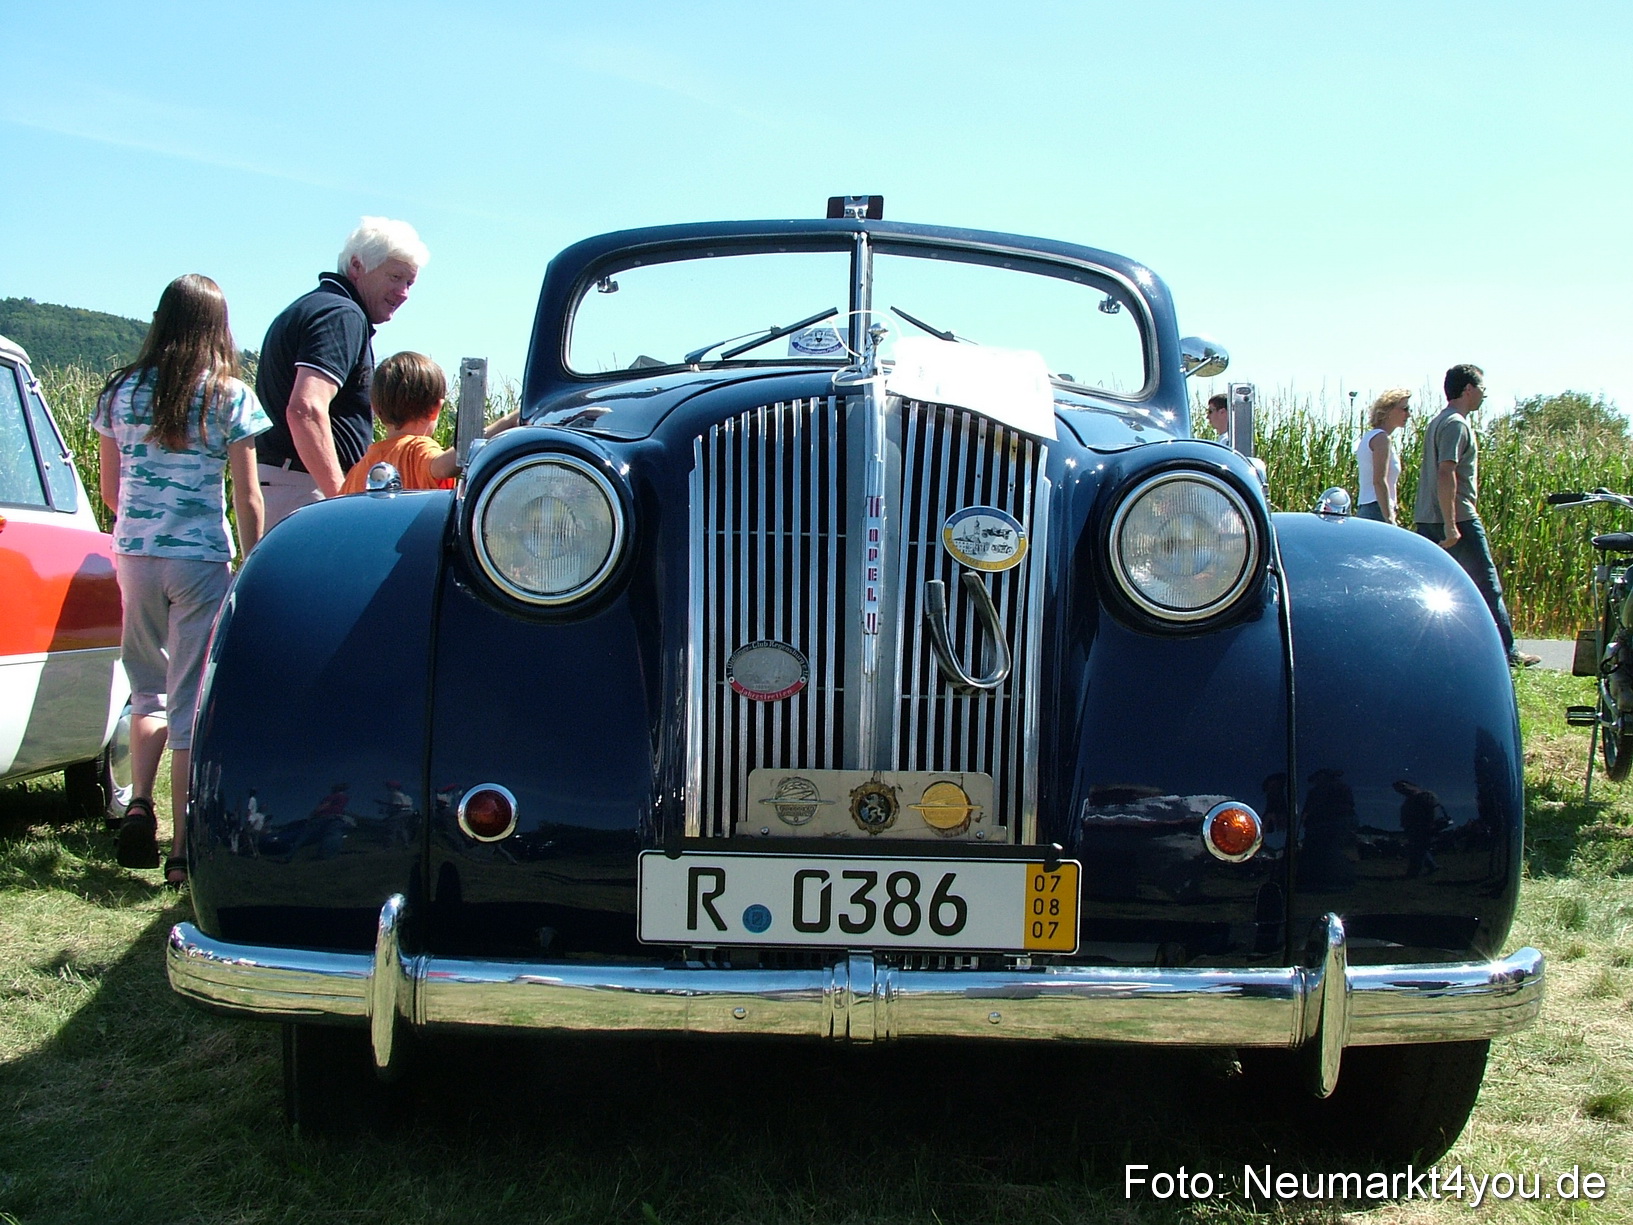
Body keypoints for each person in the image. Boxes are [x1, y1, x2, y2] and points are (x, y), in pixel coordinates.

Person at [94, 274, 271, 886]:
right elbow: (246, 496)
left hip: (136, 557)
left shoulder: (121, 391)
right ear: (218, 328)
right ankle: (181, 851)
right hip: (199, 559)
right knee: (190, 697)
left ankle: (137, 804)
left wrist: (140, 530)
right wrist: (256, 562)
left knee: (146, 692)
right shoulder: (230, 396)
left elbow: (108, 491)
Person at [255, 217, 428, 527]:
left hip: (286, 482)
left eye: (409, 282)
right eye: (395, 276)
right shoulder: (341, 314)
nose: (403, 292)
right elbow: (306, 408)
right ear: (357, 266)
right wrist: (341, 499)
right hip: (307, 489)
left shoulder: (311, 306)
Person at [1412, 364, 1540, 668]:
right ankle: (1507, 653)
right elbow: (1447, 472)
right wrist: (1451, 524)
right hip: (1456, 518)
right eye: (1482, 388)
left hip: (1429, 517)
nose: (1484, 395)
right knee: (1487, 584)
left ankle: (1435, 650)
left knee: (1436, 587)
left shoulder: (1438, 422)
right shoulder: (1456, 423)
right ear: (1468, 389)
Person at [337, 351, 519, 494]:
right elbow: (444, 466)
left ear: (375, 409)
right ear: (436, 409)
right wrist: (509, 421)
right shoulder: (415, 449)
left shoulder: (358, 470)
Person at [1354, 388, 1411, 523]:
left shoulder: (1370, 437)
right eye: (1405, 409)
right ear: (1388, 410)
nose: (1408, 415)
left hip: (1368, 507)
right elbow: (1379, 480)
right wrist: (1389, 517)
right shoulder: (1381, 439)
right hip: (1377, 509)